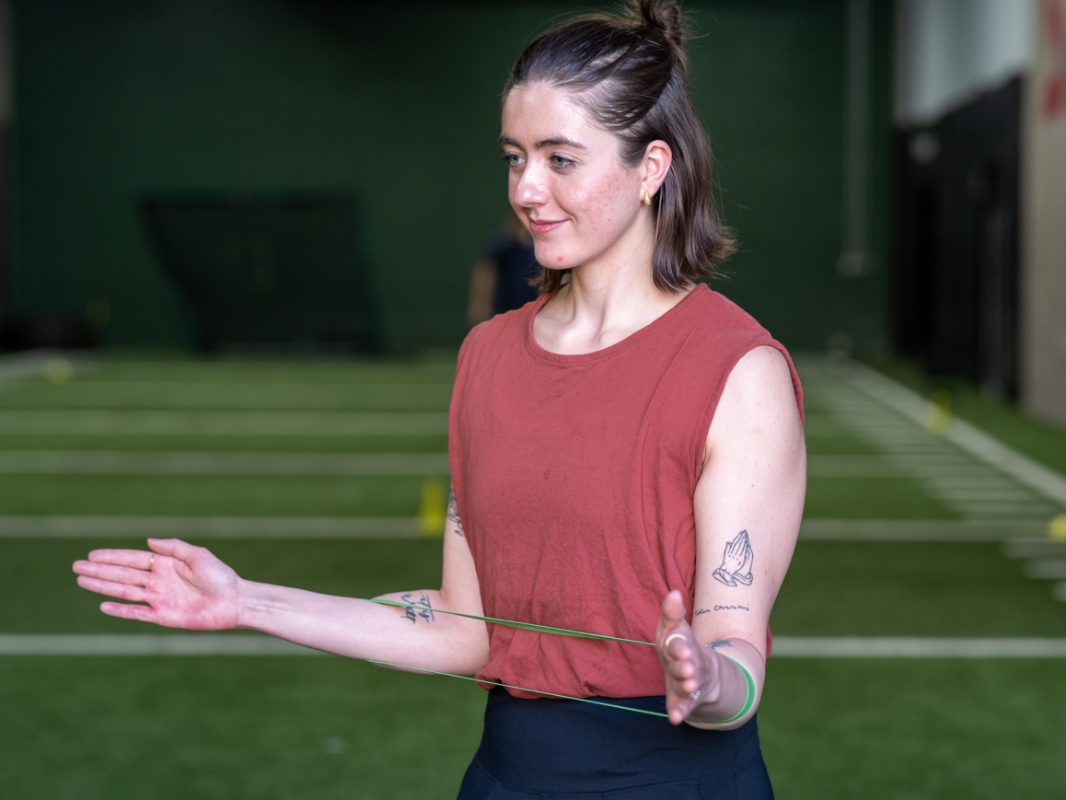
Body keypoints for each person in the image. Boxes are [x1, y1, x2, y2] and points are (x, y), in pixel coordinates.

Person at [72, 2, 805, 797]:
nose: (527, 189)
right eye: (514, 157)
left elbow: (735, 649)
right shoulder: (487, 356)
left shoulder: (738, 371)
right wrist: (249, 600)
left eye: (561, 160)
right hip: (504, 777)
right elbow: (464, 625)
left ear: (651, 168)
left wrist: (705, 681)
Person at [466, 212, 540, 326]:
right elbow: (487, 273)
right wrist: (480, 304)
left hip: (536, 310)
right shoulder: (503, 246)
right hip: (507, 308)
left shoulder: (540, 247)